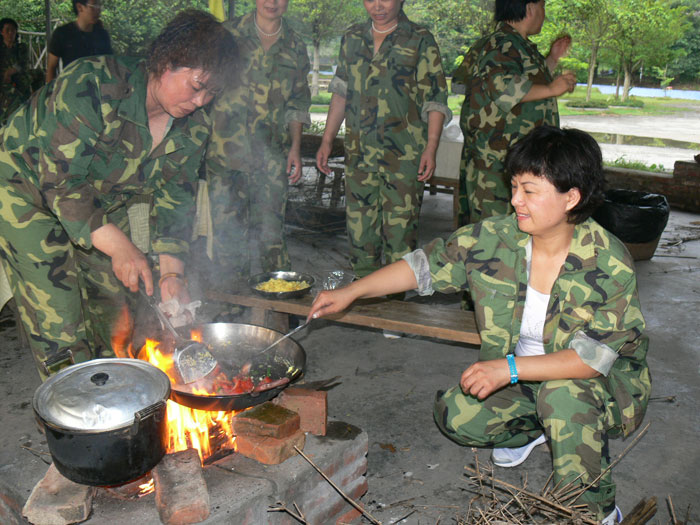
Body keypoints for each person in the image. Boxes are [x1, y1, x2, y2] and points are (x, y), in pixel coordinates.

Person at [308, 126, 650, 524]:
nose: (515, 200)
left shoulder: (609, 262)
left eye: (529, 190)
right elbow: (422, 269)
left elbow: (589, 362)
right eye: (514, 187)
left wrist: (507, 369)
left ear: (571, 197)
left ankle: (594, 509)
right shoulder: (494, 239)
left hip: (597, 386)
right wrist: (353, 291)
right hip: (522, 378)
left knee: (563, 396)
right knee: (456, 415)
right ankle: (537, 429)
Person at [0, 10, 237, 380]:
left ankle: (114, 392)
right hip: (26, 190)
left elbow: (176, 199)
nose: (202, 101)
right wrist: (122, 247)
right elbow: (61, 184)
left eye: (212, 93)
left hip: (98, 200)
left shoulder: (193, 128)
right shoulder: (92, 84)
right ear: (167, 61)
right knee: (61, 315)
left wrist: (171, 274)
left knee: (116, 308)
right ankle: (71, 414)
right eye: (197, 86)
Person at [315, 0, 451, 279]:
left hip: (404, 158)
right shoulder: (352, 38)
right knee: (359, 233)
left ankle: (394, 307)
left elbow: (435, 100)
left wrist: (431, 148)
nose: (377, 5)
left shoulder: (420, 39)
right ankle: (365, 302)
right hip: (359, 156)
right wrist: (327, 139)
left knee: (400, 238)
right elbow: (341, 92)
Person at [201, 0, 311, 291]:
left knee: (271, 237)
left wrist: (295, 149)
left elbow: (298, 103)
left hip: (271, 159)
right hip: (225, 157)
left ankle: (276, 310)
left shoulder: (296, 46)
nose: (272, 3)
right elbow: (201, 87)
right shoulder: (225, 35)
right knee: (228, 238)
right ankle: (231, 311)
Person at [453, 0, 576, 225]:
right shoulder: (500, 44)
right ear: (529, 8)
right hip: (496, 164)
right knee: (492, 230)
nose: (544, 15)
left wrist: (552, 59)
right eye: (543, 7)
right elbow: (503, 88)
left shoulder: (518, 45)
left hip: (514, 160)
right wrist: (551, 89)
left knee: (512, 229)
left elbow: (527, 84)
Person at [45, 0, 113, 83]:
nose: (98, 10)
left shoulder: (102, 35)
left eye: (99, 6)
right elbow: (51, 67)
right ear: (80, 7)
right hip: (71, 89)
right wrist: (51, 93)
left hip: (99, 89)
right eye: (94, 6)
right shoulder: (62, 34)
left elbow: (110, 64)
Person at [0, 18, 41, 123]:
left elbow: (23, 64)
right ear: (2, 32)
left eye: (13, 30)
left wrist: (9, 72)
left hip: (19, 77)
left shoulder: (21, 47)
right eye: (7, 30)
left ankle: (36, 103)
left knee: (39, 73)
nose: (10, 33)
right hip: (3, 80)